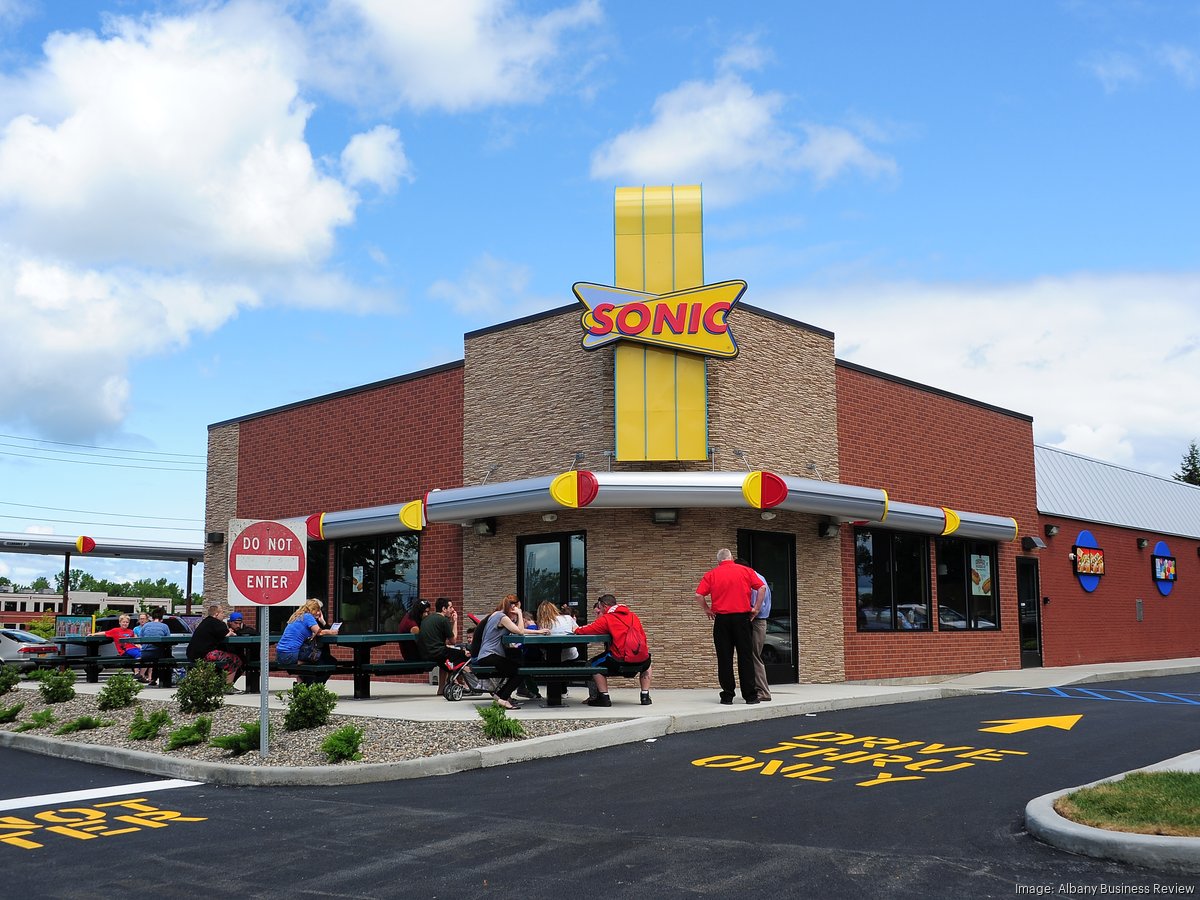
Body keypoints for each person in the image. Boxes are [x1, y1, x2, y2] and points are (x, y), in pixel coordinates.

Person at [694, 548, 765, 705]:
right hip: (742, 618)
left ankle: (727, 695)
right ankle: (750, 696)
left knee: (724, 658)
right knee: (745, 657)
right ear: (731, 558)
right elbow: (762, 588)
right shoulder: (746, 571)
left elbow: (698, 595)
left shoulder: (711, 574)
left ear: (719, 561)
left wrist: (707, 609)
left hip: (722, 620)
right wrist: (756, 608)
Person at [573, 594, 652, 706]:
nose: (599, 611)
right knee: (647, 664)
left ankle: (604, 698)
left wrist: (575, 629)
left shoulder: (607, 618)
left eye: (599, 608)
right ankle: (645, 696)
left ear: (605, 606)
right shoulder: (633, 616)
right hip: (642, 659)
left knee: (592, 664)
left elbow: (587, 630)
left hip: (619, 659)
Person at [472, 594, 545, 710]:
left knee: (517, 662)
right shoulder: (502, 617)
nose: (517, 612)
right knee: (519, 672)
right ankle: (503, 698)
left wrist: (539, 632)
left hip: (487, 655)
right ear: (513, 607)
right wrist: (520, 614)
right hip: (490, 655)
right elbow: (520, 631)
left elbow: (517, 629)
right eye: (517, 608)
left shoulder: (496, 615)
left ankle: (500, 695)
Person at [736, 556, 773, 702]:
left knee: (753, 656)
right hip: (759, 621)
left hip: (756, 621)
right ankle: (757, 689)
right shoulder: (760, 577)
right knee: (752, 655)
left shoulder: (754, 580)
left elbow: (756, 604)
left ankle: (763, 691)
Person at [275, 598, 337, 683]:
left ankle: (301, 681)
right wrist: (331, 631)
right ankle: (311, 687)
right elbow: (319, 632)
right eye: (317, 610)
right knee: (327, 661)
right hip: (291, 655)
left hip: (280, 655)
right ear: (312, 609)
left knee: (318, 658)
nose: (319, 613)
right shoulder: (308, 616)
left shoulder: (296, 616)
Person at [418, 597, 470, 696]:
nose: (453, 610)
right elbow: (453, 640)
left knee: (445, 661)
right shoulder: (443, 620)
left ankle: (441, 688)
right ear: (444, 609)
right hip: (437, 652)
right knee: (464, 654)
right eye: (450, 607)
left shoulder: (427, 619)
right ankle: (460, 684)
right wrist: (455, 622)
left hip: (425, 653)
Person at [186, 602, 242, 689]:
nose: (223, 615)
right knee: (235, 660)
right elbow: (227, 634)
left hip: (192, 654)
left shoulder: (205, 622)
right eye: (222, 612)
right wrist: (231, 633)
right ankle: (228, 687)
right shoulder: (217, 623)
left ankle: (220, 684)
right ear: (216, 614)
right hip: (205, 654)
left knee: (223, 658)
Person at [136, 607, 172, 685]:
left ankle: (153, 679)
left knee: (156, 656)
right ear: (161, 619)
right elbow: (168, 640)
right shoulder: (164, 626)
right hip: (158, 654)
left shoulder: (145, 626)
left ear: (152, 618)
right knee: (164, 655)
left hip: (145, 653)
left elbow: (141, 639)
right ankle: (162, 680)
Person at [227, 610, 260, 685]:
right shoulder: (225, 629)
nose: (238, 625)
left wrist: (237, 634)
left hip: (240, 656)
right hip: (227, 654)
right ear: (230, 622)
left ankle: (229, 684)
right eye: (235, 623)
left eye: (240, 623)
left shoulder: (244, 629)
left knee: (243, 662)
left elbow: (255, 633)